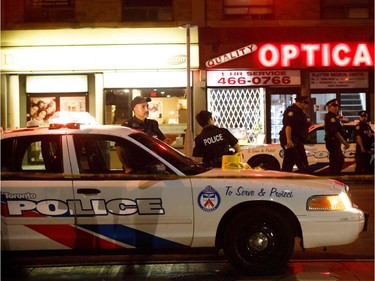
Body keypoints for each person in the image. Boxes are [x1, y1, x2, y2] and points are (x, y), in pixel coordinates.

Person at [279, 96, 311, 173]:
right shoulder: (292, 111)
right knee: (301, 162)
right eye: (305, 103)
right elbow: (288, 126)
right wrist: (289, 140)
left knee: (289, 161)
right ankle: (304, 176)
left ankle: (285, 177)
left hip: (297, 140)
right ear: (300, 102)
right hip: (292, 140)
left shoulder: (300, 112)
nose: (307, 106)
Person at [324, 99, 350, 176]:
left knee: (336, 161)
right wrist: (344, 143)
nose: (336, 108)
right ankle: (334, 177)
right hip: (333, 142)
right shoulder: (330, 117)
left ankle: (334, 177)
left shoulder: (335, 117)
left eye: (337, 106)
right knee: (338, 160)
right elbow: (335, 132)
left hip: (335, 142)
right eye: (333, 106)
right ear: (328, 107)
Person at [354, 110, 374, 174]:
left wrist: (371, 134)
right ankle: (357, 181)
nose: (364, 118)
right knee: (360, 166)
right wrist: (362, 147)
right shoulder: (359, 126)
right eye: (362, 116)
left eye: (365, 116)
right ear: (359, 117)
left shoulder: (368, 126)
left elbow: (372, 134)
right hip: (361, 150)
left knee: (367, 165)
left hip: (367, 149)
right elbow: (358, 137)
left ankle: (365, 181)